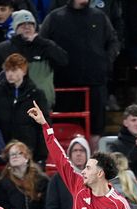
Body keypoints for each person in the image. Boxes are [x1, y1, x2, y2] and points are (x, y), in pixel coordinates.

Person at [40, 0, 120, 146]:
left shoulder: (99, 17)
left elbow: (113, 41)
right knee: (65, 130)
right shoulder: (55, 17)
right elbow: (42, 44)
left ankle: (93, 164)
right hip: (64, 85)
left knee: (96, 131)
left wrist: (105, 63)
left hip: (95, 83)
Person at [0, 9, 68, 110]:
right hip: (12, 106)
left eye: (30, 24)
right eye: (22, 24)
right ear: (15, 27)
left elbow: (63, 60)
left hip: (42, 105)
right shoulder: (4, 49)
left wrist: (41, 42)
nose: (27, 27)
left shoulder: (45, 46)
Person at [0, 53, 49, 165]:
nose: (10, 74)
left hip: (30, 152)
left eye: (14, 70)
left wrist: (41, 156)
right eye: (7, 70)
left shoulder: (36, 94)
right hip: (4, 152)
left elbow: (43, 125)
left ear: (24, 71)